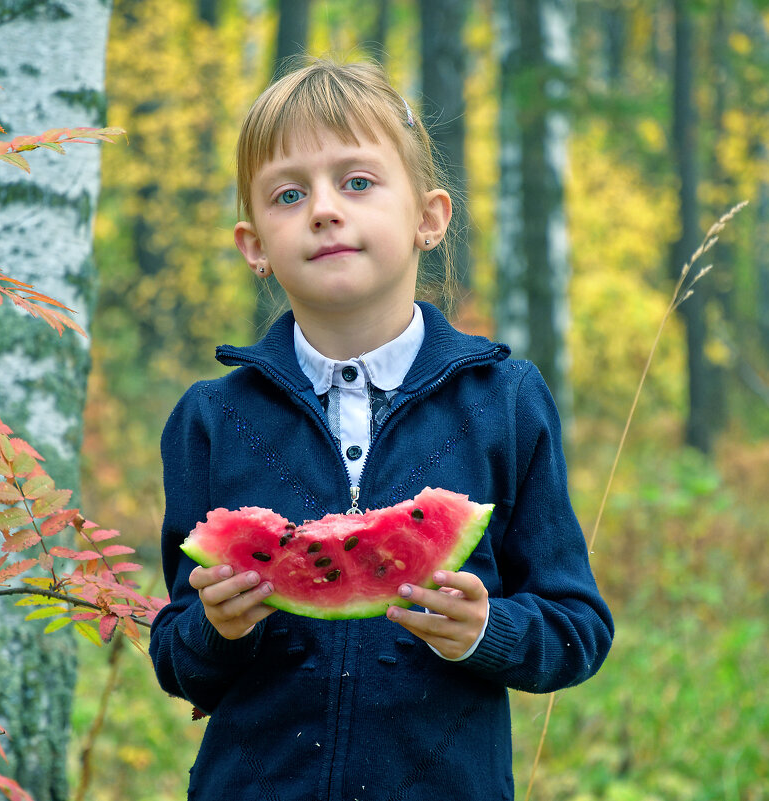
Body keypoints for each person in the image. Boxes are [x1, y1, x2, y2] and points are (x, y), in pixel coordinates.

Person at [149, 58, 613, 801]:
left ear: (429, 216)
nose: (324, 210)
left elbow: (576, 626)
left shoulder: (504, 401)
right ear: (254, 245)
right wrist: (215, 628)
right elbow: (175, 656)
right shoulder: (210, 418)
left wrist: (486, 629)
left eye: (356, 182)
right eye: (288, 194)